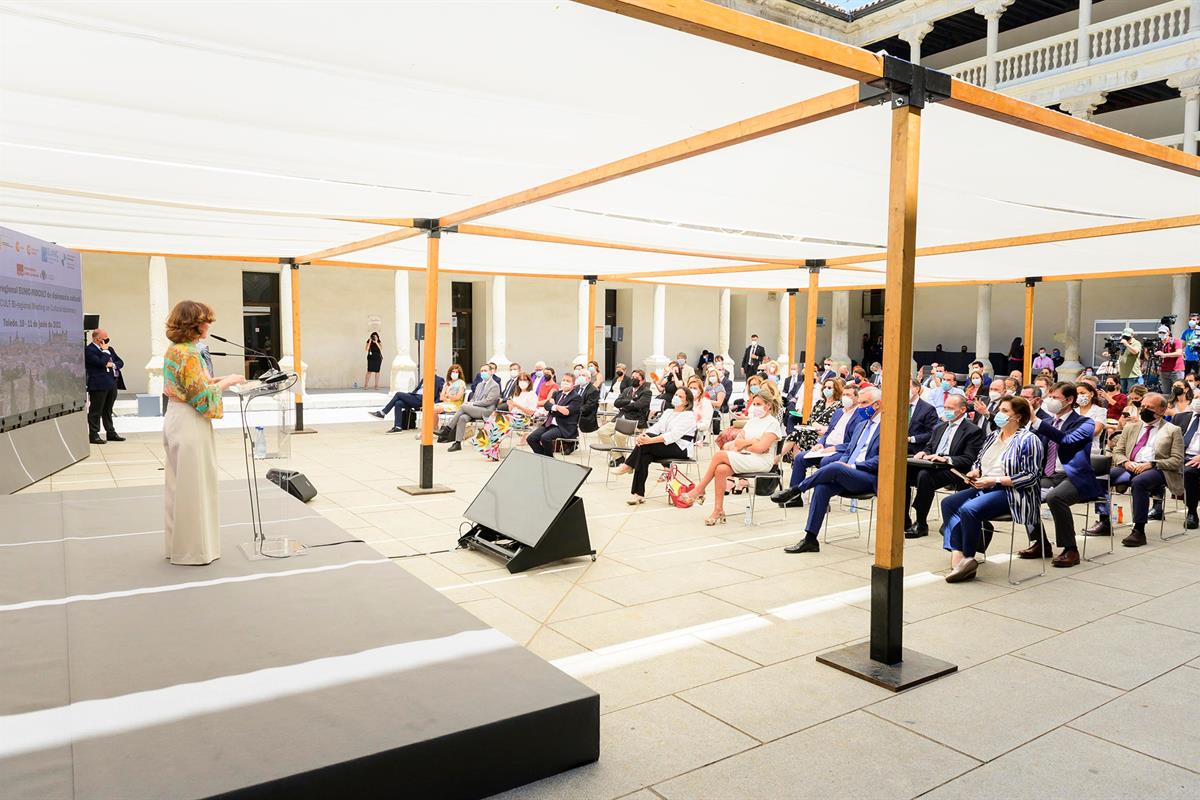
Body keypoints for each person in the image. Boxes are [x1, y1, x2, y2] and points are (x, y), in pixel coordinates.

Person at [161, 301, 245, 565]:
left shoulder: (175, 350)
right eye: (205, 320)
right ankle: (194, 552)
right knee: (195, 487)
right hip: (190, 422)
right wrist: (229, 382)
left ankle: (177, 546)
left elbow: (189, 385)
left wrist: (217, 381)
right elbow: (201, 397)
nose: (209, 325)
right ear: (192, 324)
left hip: (175, 417)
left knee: (178, 486)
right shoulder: (190, 353)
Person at [939, 396, 1044, 583]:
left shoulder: (1029, 440)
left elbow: (1031, 476)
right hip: (985, 484)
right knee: (949, 503)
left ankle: (967, 558)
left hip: (1013, 492)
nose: (999, 414)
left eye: (1005, 411)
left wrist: (994, 480)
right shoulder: (994, 436)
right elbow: (980, 461)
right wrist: (975, 471)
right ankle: (959, 552)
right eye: (1000, 410)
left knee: (968, 509)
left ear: (1018, 417)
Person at [781, 386, 884, 553]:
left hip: (868, 476)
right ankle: (810, 539)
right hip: (848, 472)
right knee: (822, 488)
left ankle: (796, 489)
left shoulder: (887, 427)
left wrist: (851, 466)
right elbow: (850, 451)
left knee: (834, 466)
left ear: (877, 404)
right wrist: (846, 463)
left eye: (865, 403)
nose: (861, 407)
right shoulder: (862, 425)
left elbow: (882, 460)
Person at [680, 382, 783, 526]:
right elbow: (738, 442)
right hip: (747, 457)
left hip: (762, 462)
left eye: (759, 404)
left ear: (768, 406)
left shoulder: (772, 423)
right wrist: (750, 443)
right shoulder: (753, 421)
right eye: (754, 404)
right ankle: (718, 510)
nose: (755, 407)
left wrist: (745, 444)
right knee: (721, 470)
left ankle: (700, 489)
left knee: (719, 455)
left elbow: (761, 449)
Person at [1088, 392, 1184, 546]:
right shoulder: (1131, 427)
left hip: (1157, 468)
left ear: (1161, 410)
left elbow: (1177, 460)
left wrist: (1152, 464)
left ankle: (1139, 530)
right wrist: (1126, 462)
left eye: (1150, 407)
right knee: (1101, 479)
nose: (1144, 410)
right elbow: (1118, 452)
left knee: (1139, 482)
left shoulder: (1172, 430)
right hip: (1131, 465)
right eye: (1143, 406)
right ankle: (1104, 521)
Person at [1023, 382, 1100, 568]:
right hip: (1048, 474)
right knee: (1023, 492)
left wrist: (1036, 421)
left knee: (1055, 498)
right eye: (1049, 397)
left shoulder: (1084, 422)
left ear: (1069, 400)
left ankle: (1071, 549)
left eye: (1055, 397)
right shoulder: (1047, 423)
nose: (1051, 401)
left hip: (1074, 477)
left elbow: (1066, 440)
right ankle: (1041, 543)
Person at [904, 394, 984, 538]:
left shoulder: (973, 431)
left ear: (962, 410)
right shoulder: (939, 427)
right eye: (945, 407)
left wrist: (945, 459)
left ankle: (921, 522)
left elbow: (968, 459)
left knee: (924, 476)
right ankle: (903, 518)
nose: (946, 410)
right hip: (931, 465)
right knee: (903, 473)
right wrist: (923, 453)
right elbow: (930, 447)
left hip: (954, 469)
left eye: (950, 408)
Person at [613, 386, 697, 504]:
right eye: (676, 395)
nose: (676, 398)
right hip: (663, 445)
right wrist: (643, 436)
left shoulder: (688, 415)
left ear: (687, 401)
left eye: (680, 396)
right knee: (643, 455)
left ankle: (628, 465)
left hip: (680, 448)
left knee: (645, 446)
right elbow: (656, 428)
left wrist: (649, 440)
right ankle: (638, 494)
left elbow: (673, 436)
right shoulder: (668, 412)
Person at [472, 372, 538, 461]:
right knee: (493, 417)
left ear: (529, 382)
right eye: (520, 380)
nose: (522, 382)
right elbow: (512, 410)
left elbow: (531, 412)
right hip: (513, 416)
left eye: (525, 380)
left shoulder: (532, 394)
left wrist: (516, 405)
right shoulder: (517, 394)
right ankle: (482, 441)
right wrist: (510, 405)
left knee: (500, 422)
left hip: (524, 419)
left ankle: (492, 451)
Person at [439, 363, 501, 451]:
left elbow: (488, 401)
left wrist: (472, 404)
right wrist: (470, 403)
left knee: (463, 407)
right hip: (476, 409)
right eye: (482, 371)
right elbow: (474, 398)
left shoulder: (495, 385)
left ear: (491, 372)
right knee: (462, 418)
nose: (483, 373)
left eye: (485, 371)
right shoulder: (479, 385)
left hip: (486, 411)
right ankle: (457, 443)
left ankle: (448, 429)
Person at [598, 368, 652, 465]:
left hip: (634, 420)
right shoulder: (627, 390)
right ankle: (619, 458)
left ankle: (626, 461)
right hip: (620, 417)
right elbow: (616, 403)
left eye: (637, 378)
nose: (634, 379)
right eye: (633, 377)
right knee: (602, 432)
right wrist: (629, 401)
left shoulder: (646, 392)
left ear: (642, 380)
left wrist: (625, 405)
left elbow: (638, 405)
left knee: (619, 435)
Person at [85, 328, 126, 445]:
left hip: (111, 383)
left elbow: (120, 362)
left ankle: (111, 432)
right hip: (98, 384)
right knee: (95, 410)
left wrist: (112, 364)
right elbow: (100, 362)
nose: (106, 340)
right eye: (104, 338)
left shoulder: (109, 349)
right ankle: (94, 434)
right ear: (97, 338)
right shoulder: (89, 350)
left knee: (108, 409)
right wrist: (105, 352)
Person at [527, 372, 581, 457]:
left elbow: (566, 412)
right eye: (563, 380)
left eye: (568, 381)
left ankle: (549, 458)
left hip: (563, 426)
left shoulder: (576, 397)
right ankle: (543, 457)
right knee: (531, 438)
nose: (565, 382)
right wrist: (557, 407)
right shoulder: (557, 394)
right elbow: (546, 405)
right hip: (549, 423)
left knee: (545, 438)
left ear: (573, 384)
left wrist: (553, 406)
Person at [371, 372, 445, 432]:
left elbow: (441, 393)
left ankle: (383, 412)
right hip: (415, 397)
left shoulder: (439, 379)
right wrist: (410, 397)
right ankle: (398, 426)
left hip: (424, 399)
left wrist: (435, 403)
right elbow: (416, 390)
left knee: (398, 394)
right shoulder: (424, 379)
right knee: (398, 403)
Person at [1179, 397, 1200, 529]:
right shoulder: (1182, 418)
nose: (1198, 400)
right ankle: (1157, 507)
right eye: (1197, 397)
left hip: (1197, 457)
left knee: (1188, 472)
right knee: (1157, 465)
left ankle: (1192, 512)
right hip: (1181, 455)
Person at [1073, 381, 1108, 456]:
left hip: (1091, 451)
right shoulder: (1073, 411)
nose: (1079, 396)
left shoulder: (1100, 411)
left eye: (1082, 393)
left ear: (1091, 394)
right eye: (1077, 394)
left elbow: (1095, 431)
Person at [908, 378, 939, 454]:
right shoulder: (897, 407)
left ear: (917, 389)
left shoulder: (928, 409)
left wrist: (911, 439)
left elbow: (931, 433)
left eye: (908, 387)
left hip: (915, 449)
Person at [1156, 324, 1185, 390]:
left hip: (1176, 370)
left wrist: (1164, 355)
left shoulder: (1175, 341)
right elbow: (1157, 356)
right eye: (1160, 332)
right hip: (1164, 371)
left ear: (1168, 333)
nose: (1161, 334)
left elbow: (1179, 353)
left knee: (1178, 390)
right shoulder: (1159, 343)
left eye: (1163, 332)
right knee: (1166, 392)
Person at [1116, 328, 1142, 393]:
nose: (1126, 338)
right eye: (1124, 336)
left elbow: (1135, 351)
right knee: (1123, 394)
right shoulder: (1122, 344)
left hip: (1133, 375)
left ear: (1132, 335)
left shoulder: (1136, 343)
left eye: (1127, 336)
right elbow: (1120, 355)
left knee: (1132, 394)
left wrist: (1127, 344)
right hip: (1123, 374)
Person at [1183, 313, 1200, 378]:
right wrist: (1181, 352)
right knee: (1186, 376)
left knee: (1195, 377)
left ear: (1198, 321)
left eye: (1193, 319)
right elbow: (1183, 343)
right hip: (1187, 358)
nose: (1191, 321)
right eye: (1190, 319)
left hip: (1197, 358)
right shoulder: (1186, 331)